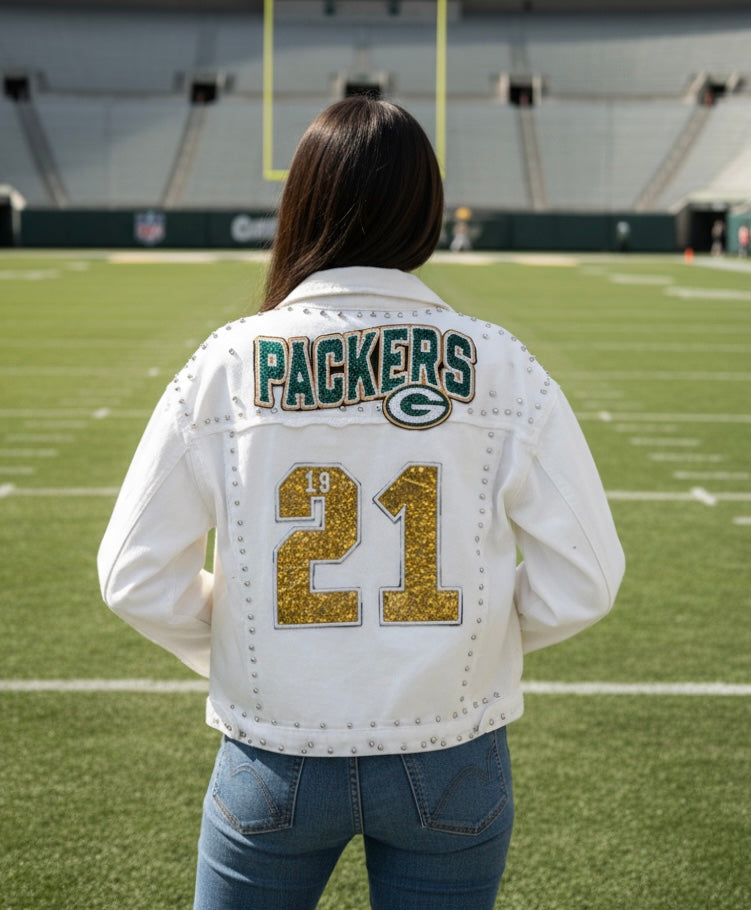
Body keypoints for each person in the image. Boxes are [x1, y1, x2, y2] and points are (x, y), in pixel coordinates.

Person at [98, 97, 625, 910]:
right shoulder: (500, 364)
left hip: (275, 754)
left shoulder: (229, 362)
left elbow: (134, 575)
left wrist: (255, 640)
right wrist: (464, 641)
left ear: (299, 201)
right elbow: (585, 575)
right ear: (427, 210)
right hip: (451, 748)